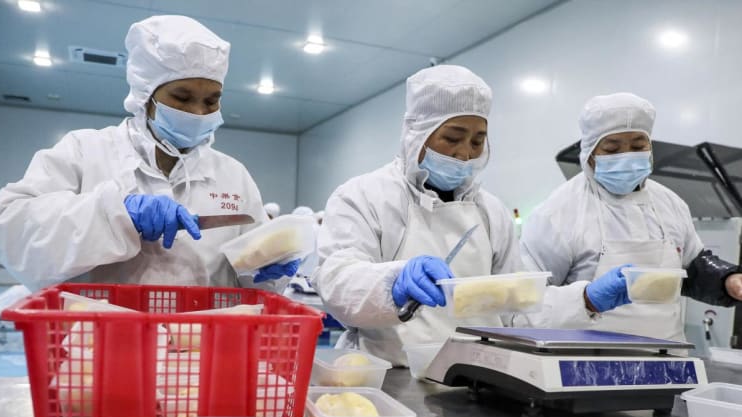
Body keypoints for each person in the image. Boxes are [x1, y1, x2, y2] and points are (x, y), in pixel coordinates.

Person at [313, 65, 630, 365]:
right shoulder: (364, 195)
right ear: (416, 132)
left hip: (474, 377)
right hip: (388, 373)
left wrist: (585, 300)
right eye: (452, 138)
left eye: (477, 141)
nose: (464, 153)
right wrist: (393, 282)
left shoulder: (491, 212)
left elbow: (515, 312)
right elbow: (336, 280)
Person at [0, 15, 298, 290]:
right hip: (99, 335)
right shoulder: (84, 151)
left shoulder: (233, 175)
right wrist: (114, 215)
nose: (198, 112)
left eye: (211, 100)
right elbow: (9, 229)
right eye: (182, 97)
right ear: (145, 96)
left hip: (202, 335)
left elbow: (253, 277)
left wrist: (269, 271)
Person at [521, 93, 742, 341]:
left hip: (666, 355)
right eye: (612, 149)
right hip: (587, 358)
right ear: (590, 153)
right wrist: (585, 300)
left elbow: (692, 267)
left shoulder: (670, 203)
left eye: (638, 147)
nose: (626, 156)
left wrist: (728, 279)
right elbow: (524, 305)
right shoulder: (557, 212)